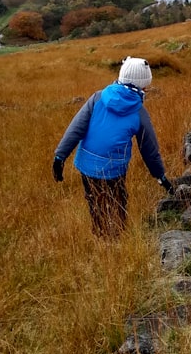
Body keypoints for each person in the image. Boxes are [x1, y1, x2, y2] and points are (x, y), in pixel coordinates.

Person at [52, 56, 175, 238]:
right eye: (146, 85)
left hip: (86, 165)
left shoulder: (98, 97)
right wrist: (160, 177)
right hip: (113, 170)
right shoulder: (139, 113)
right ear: (142, 85)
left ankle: (99, 234)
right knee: (118, 202)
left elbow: (75, 129)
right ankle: (116, 239)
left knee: (94, 201)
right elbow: (149, 150)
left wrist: (59, 157)